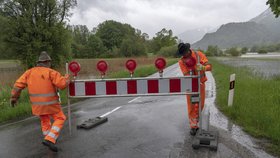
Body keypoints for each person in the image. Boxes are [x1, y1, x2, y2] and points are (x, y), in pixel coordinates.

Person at [10, 51, 70, 152]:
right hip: (51, 104)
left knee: (45, 120)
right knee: (60, 117)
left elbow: (17, 86)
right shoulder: (51, 72)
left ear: (39, 62)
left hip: (37, 106)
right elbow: (62, 84)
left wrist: (14, 98)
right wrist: (67, 78)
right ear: (47, 62)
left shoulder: (28, 72)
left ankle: (48, 138)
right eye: (49, 62)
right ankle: (50, 139)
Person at [177, 43, 212, 136]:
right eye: (182, 54)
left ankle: (196, 118)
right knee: (191, 106)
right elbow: (186, 74)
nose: (184, 55)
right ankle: (193, 126)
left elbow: (209, 67)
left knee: (201, 104)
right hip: (190, 85)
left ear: (188, 50)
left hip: (201, 84)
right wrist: (191, 69)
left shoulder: (199, 55)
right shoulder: (181, 61)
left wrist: (202, 67)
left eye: (184, 53)